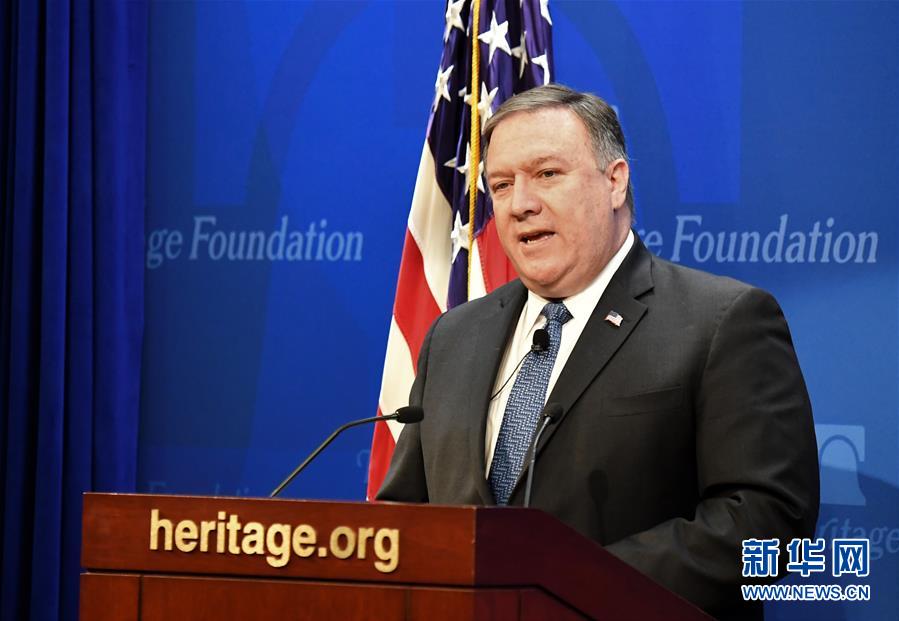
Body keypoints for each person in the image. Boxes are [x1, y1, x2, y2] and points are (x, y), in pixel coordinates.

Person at [377, 84, 819, 620]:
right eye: (501, 185)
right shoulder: (453, 336)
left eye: (547, 174)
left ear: (615, 181)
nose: (521, 204)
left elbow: (769, 523)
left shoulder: (721, 322)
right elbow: (405, 519)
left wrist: (570, 583)